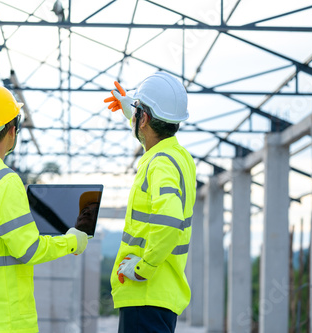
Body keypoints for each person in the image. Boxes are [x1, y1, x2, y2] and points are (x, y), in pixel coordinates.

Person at [0, 82, 89, 333]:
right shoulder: (4, 181)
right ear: (13, 129)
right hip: (2, 323)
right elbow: (29, 249)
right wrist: (71, 241)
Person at [104, 72, 196, 333]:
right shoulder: (178, 156)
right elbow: (152, 128)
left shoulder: (160, 164)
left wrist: (144, 268)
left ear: (143, 119)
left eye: (136, 112)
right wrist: (129, 107)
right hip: (159, 296)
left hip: (146, 294)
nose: (133, 116)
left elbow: (169, 219)